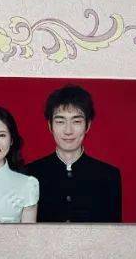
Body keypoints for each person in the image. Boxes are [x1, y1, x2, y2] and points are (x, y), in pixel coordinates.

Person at [27, 85, 122, 223]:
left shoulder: (109, 176)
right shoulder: (29, 174)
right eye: (60, 121)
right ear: (50, 126)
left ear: (88, 125)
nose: (68, 131)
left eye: (76, 121)